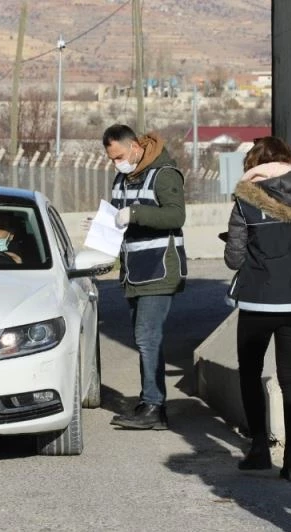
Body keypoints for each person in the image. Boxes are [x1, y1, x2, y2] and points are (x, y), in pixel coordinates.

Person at [223, 136, 291, 481]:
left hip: (257, 301)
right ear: (290, 161)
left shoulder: (246, 201)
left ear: (255, 166)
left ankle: (258, 450)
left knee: (251, 374)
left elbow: (233, 258)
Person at [102, 123, 187, 430]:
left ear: (135, 146)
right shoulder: (123, 178)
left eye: (120, 156)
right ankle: (150, 402)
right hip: (135, 271)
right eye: (112, 158)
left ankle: (153, 405)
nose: (117, 162)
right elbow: (118, 216)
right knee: (147, 338)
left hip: (160, 268)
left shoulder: (164, 174)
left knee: (146, 336)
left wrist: (134, 214)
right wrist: (104, 225)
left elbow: (176, 215)